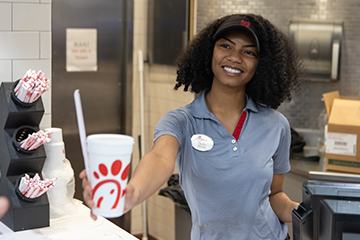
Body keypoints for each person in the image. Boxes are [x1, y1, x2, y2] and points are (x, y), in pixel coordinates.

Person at [80, 13, 306, 240]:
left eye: (248, 52)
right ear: (210, 53)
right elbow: (160, 158)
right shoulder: (181, 121)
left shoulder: (277, 125)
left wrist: (301, 212)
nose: (235, 57)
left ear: (261, 64)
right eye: (225, 46)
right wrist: (132, 193)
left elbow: (274, 195)